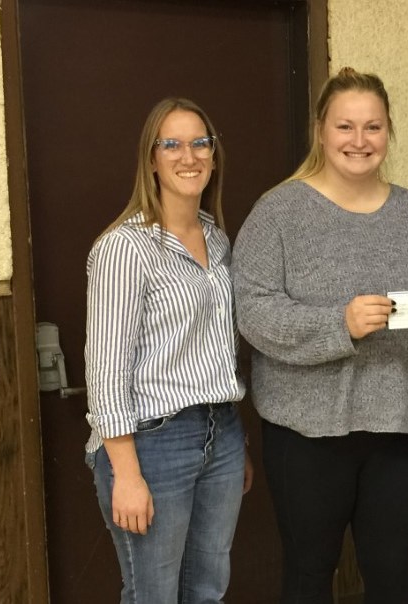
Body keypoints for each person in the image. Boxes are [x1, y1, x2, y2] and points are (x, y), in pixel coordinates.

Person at [231, 67, 408, 603]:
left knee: (391, 575)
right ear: (321, 130)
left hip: (399, 426)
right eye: (345, 127)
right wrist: (338, 325)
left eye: (373, 127)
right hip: (307, 435)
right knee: (310, 575)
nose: (359, 142)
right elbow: (253, 312)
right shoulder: (279, 212)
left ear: (388, 132)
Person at [84, 97, 253, 603]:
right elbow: (106, 370)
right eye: (172, 144)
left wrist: (234, 441)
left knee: (207, 591)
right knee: (152, 595)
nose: (189, 156)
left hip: (220, 434)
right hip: (151, 446)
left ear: (214, 155)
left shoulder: (219, 241)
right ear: (151, 159)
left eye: (200, 143)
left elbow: (218, 347)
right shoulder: (125, 248)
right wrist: (127, 474)